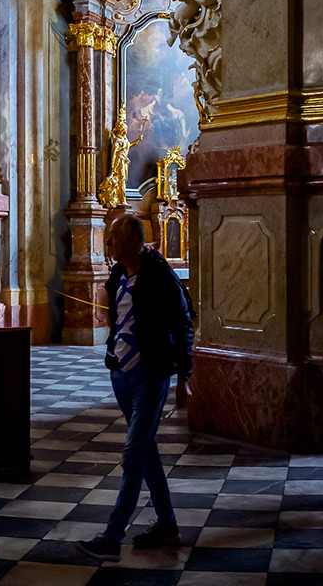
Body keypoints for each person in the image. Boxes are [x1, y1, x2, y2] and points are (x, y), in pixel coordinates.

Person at [78, 214, 195, 560]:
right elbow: (118, 317)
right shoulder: (118, 274)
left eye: (113, 237)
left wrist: (184, 377)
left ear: (131, 240)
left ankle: (112, 537)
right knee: (145, 451)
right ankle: (167, 523)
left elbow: (183, 323)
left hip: (151, 376)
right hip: (122, 376)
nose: (109, 243)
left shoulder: (160, 276)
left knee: (133, 456)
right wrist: (114, 351)